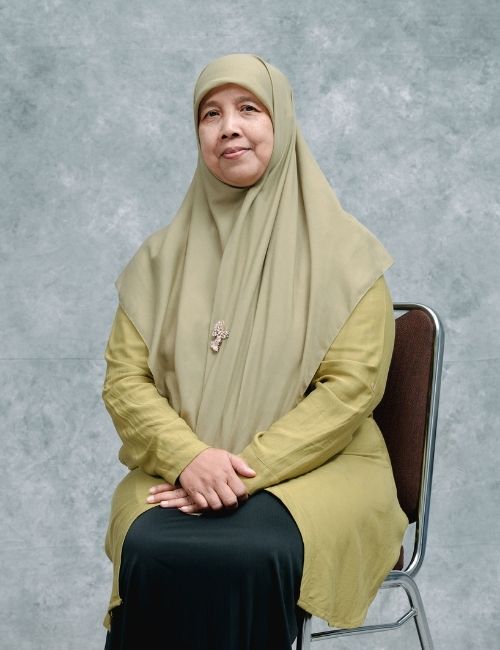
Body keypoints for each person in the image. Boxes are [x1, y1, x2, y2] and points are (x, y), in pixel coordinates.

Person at [102, 53, 408, 650]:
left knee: (249, 549)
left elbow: (351, 391)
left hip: (320, 470)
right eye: (210, 114)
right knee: (152, 544)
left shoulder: (347, 256)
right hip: (179, 471)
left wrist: (239, 473)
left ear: (281, 122)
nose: (229, 127)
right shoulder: (159, 261)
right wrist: (190, 458)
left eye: (249, 108)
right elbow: (125, 382)